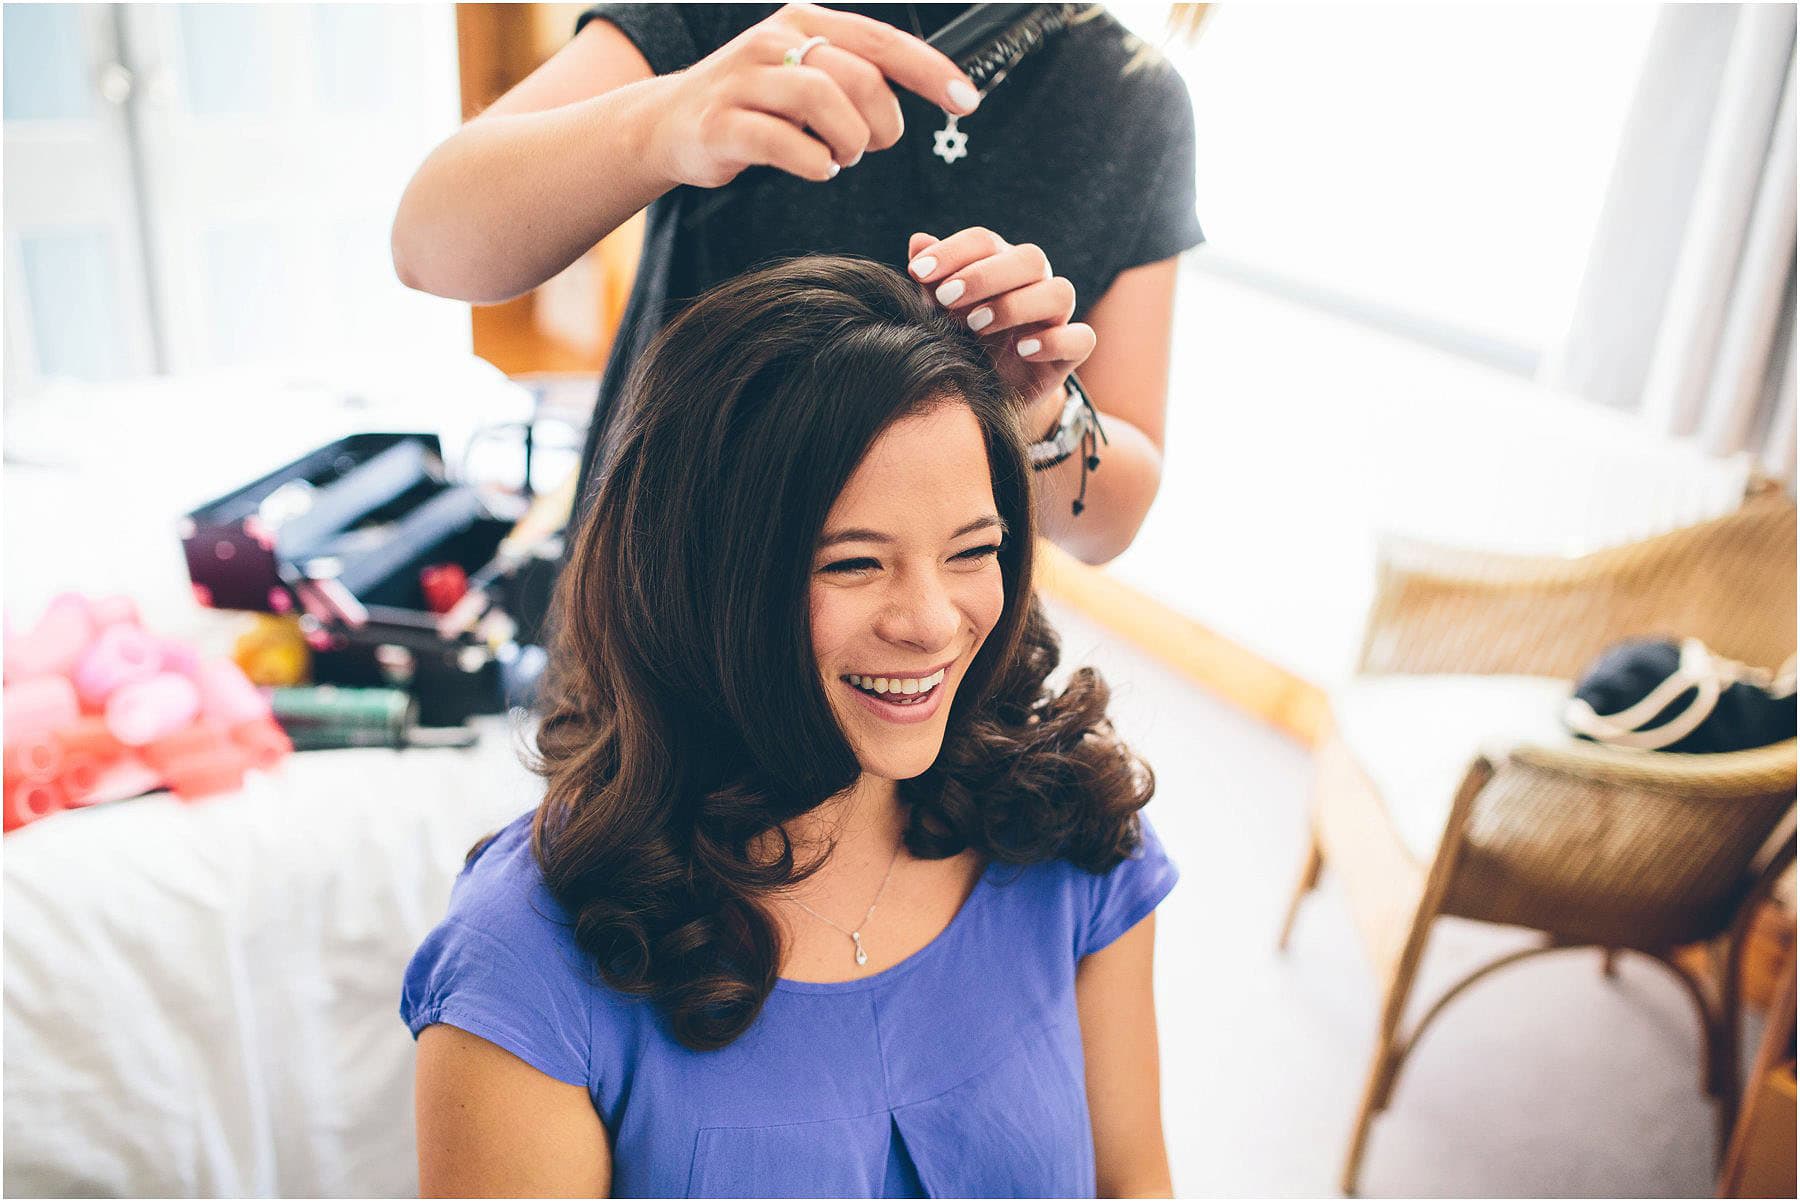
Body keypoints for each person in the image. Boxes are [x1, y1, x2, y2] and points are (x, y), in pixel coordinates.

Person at [402, 256, 1178, 1197]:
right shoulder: (527, 964)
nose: (932, 622)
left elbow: (1133, 1184)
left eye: (973, 550)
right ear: (702, 580)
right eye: (853, 564)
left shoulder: (1061, 828)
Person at [391, 3, 1203, 565]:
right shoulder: (739, 16)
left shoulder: (1134, 99)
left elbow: (1114, 517)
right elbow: (431, 243)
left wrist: (1036, 415)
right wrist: (664, 122)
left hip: (926, 686)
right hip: (663, 650)